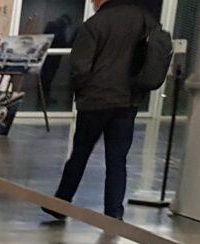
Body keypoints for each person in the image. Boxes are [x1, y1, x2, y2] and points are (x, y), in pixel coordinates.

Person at [46, 0, 156, 222]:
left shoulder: (94, 24)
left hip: (95, 101)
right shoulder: (144, 20)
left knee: (80, 154)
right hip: (127, 101)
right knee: (117, 159)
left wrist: (78, 91)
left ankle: (60, 204)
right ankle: (114, 214)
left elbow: (80, 66)